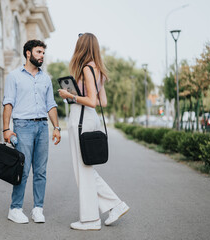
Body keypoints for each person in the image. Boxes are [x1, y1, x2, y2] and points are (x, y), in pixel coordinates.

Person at [58, 33, 129, 231]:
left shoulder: (87, 69)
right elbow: (101, 102)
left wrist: (70, 95)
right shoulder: (98, 70)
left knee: (83, 170)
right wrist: (78, 95)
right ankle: (115, 205)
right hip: (88, 118)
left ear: (82, 46)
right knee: (86, 169)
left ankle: (90, 220)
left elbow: (90, 101)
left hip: (81, 119)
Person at [2, 39, 61, 224]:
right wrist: (6, 129)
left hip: (43, 126)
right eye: (38, 52)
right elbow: (8, 103)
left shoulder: (45, 78)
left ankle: (38, 209)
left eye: (43, 53)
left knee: (41, 171)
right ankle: (15, 208)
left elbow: (50, 104)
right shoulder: (14, 76)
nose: (42, 56)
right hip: (23, 127)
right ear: (28, 53)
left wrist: (57, 127)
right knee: (23, 170)